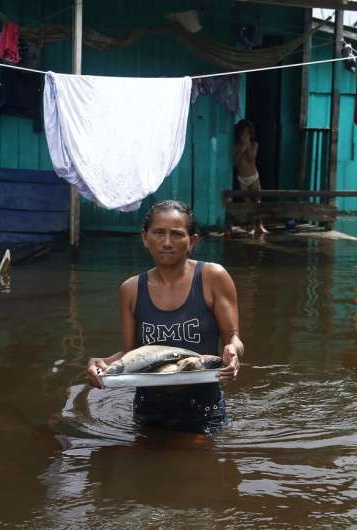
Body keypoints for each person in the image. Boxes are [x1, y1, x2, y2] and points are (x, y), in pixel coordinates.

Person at [86, 200, 243, 434]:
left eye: (177, 234)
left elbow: (233, 337)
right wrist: (99, 364)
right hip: (149, 408)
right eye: (159, 233)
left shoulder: (213, 277)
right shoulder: (130, 289)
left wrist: (232, 352)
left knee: (198, 461)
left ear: (193, 241)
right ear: (144, 237)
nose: (167, 242)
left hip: (203, 406)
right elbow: (130, 354)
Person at [233, 119, 268, 235]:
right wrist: (240, 150)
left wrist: (247, 146)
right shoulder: (236, 146)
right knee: (247, 202)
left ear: (251, 134)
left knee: (257, 201)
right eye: (243, 133)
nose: (245, 135)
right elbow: (234, 163)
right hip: (242, 179)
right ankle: (252, 226)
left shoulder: (254, 145)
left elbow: (251, 158)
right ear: (239, 134)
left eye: (247, 133)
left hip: (253, 177)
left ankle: (260, 225)